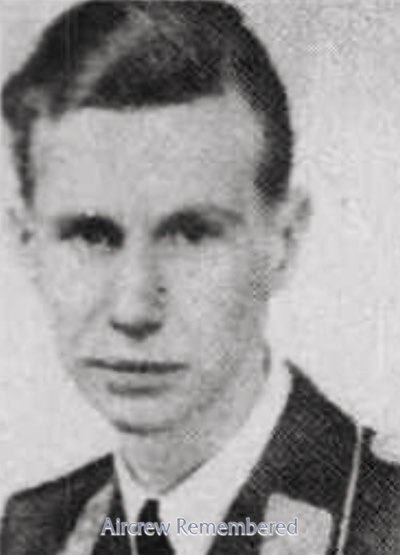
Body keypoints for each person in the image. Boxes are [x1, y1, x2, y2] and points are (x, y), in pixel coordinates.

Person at [1, 1, 399, 554]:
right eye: (91, 236)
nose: (134, 308)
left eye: (191, 234)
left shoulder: (387, 518)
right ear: (27, 244)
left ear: (283, 241)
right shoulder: (33, 533)